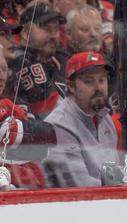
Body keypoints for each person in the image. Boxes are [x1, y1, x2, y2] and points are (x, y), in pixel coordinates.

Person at [0, 39, 53, 190]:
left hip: (32, 191)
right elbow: (15, 134)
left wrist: (4, 149)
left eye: (4, 69)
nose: (1, 76)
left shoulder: (8, 104)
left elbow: (46, 138)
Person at [43, 51, 118, 188]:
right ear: (71, 86)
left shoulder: (105, 117)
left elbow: (112, 173)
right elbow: (79, 186)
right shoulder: (59, 125)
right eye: (89, 81)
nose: (98, 87)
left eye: (102, 80)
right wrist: (123, 186)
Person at [8, 3, 66, 117]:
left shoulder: (57, 59)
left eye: (56, 29)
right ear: (25, 32)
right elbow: (52, 117)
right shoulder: (22, 61)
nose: (54, 35)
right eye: (46, 28)